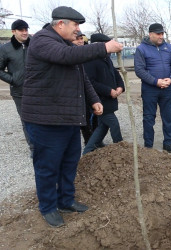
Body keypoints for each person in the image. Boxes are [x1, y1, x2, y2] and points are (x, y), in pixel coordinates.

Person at [21, 6, 123, 227]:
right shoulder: (42, 41)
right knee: (48, 167)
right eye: (75, 25)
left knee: (69, 163)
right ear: (60, 24)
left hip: (67, 118)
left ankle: (66, 201)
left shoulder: (64, 44)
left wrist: (94, 99)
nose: (78, 30)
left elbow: (82, 77)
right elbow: (68, 57)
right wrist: (104, 47)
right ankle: (48, 207)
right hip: (45, 120)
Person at [134, 23, 171, 153]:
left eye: (162, 34)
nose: (161, 36)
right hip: (150, 90)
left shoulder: (169, 48)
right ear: (150, 34)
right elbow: (139, 70)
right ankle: (148, 146)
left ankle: (168, 143)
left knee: (167, 117)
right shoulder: (141, 49)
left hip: (167, 88)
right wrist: (155, 81)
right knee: (149, 117)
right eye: (158, 34)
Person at [83, 33, 125, 155]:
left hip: (110, 99)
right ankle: (121, 149)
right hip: (99, 100)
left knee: (102, 127)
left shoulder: (106, 59)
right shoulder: (90, 60)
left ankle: (88, 151)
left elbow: (116, 75)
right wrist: (108, 91)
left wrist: (120, 87)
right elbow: (90, 82)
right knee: (114, 124)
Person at [0, 19, 33, 156]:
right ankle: (33, 147)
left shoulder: (34, 45)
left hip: (39, 90)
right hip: (19, 91)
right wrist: (13, 80)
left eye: (26, 29)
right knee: (27, 120)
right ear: (14, 32)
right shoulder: (5, 49)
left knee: (42, 119)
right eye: (21, 30)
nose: (25, 32)